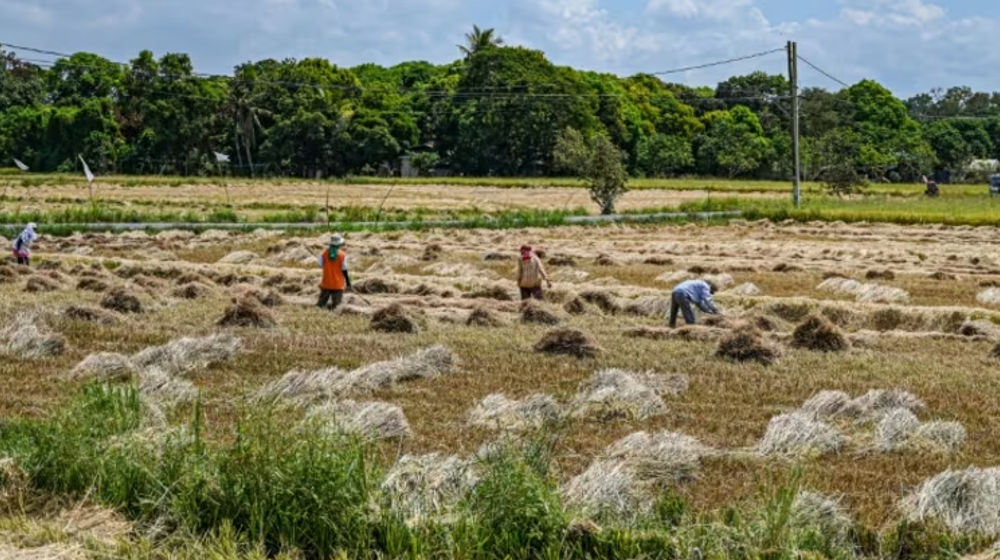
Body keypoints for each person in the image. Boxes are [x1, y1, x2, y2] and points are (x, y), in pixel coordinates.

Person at [317, 233, 351, 310]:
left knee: (321, 304)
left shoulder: (324, 253)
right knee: (336, 306)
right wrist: (348, 282)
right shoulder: (342, 255)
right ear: (339, 244)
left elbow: (320, 265)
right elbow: (344, 269)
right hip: (338, 284)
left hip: (326, 282)